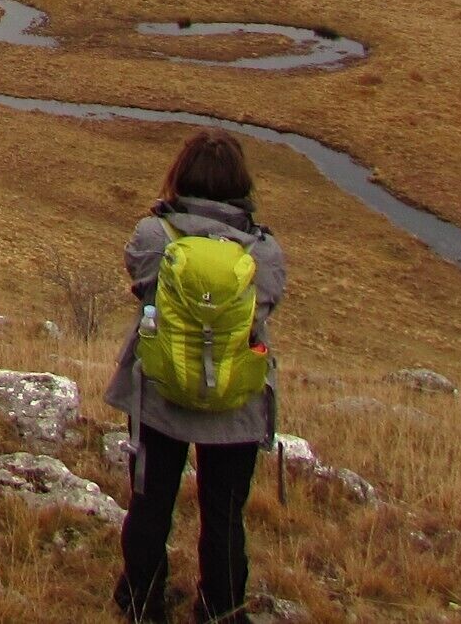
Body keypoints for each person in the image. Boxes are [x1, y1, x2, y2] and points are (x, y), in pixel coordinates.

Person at [104, 128, 287, 624]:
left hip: (160, 393)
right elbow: (266, 304)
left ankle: (142, 603)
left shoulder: (153, 236)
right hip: (235, 402)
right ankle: (221, 610)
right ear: (240, 184)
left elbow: (140, 280)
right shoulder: (264, 253)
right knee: (224, 516)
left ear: (180, 176)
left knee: (150, 505)